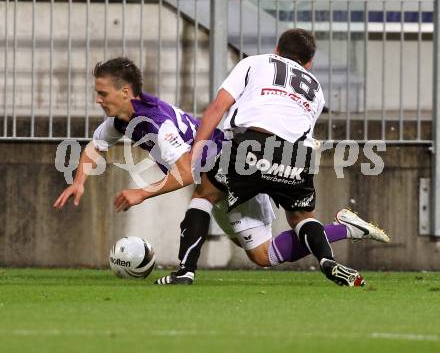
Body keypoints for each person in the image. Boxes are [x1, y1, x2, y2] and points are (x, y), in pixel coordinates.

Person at [53, 57, 389, 286]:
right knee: (263, 254)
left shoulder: (157, 124)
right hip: (230, 163)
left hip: (231, 164)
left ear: (125, 92)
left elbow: (186, 172)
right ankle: (344, 228)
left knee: (219, 210)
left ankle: (186, 271)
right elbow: (95, 146)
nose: (98, 99)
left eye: (102, 93)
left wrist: (142, 192)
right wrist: (79, 181)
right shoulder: (124, 120)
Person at [186, 28, 387, 287]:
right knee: (298, 222)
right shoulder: (315, 88)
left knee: (204, 196)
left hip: (247, 148)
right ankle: (333, 246)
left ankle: (185, 271)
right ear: (310, 62)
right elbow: (301, 134)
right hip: (295, 156)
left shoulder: (254, 62)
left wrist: (197, 148)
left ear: (277, 51)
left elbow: (217, 107)